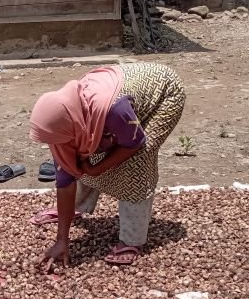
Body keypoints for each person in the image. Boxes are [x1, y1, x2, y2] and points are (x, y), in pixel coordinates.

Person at [29, 62, 185, 267]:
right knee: (85, 154)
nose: (55, 145)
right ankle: (74, 208)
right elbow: (66, 175)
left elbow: (134, 143)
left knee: (136, 162)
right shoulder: (67, 120)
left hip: (164, 93)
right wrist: (61, 239)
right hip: (121, 103)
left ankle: (132, 240)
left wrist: (97, 169)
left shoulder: (111, 110)